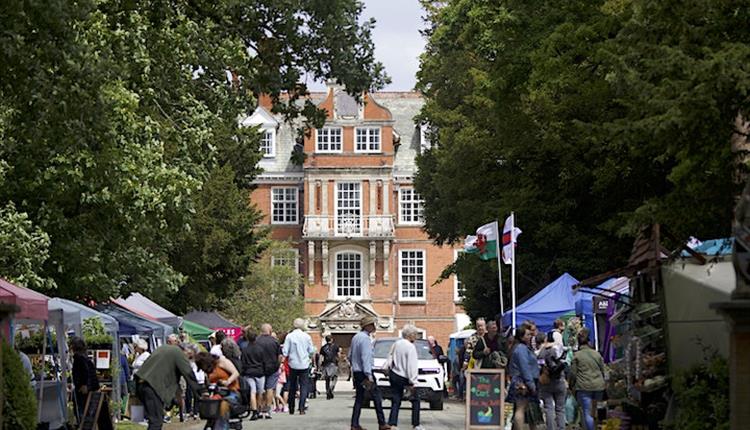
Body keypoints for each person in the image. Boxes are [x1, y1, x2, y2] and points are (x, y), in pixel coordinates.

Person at [135, 343, 204, 430]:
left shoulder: (165, 348)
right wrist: (201, 393)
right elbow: (189, 374)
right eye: (190, 357)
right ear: (188, 351)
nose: (188, 360)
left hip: (142, 384)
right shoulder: (178, 353)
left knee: (154, 419)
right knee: (156, 421)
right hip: (152, 387)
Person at [350, 315, 390, 430]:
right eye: (372, 324)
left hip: (357, 372)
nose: (374, 326)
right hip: (365, 372)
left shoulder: (355, 337)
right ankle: (382, 423)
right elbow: (366, 358)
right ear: (367, 326)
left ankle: (354, 424)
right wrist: (369, 375)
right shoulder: (365, 339)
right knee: (377, 397)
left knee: (359, 399)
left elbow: (350, 355)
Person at [387, 324, 424, 430]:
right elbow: (412, 365)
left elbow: (390, 357)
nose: (416, 337)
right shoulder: (410, 347)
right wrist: (413, 381)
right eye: (415, 334)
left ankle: (392, 423)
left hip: (394, 374)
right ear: (410, 335)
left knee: (396, 399)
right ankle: (416, 424)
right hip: (405, 376)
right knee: (416, 400)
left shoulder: (396, 343)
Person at [570, 329, 606, 430]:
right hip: (599, 386)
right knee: (598, 411)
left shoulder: (576, 356)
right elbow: (603, 370)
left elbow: (573, 373)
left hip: (584, 387)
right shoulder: (597, 354)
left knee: (588, 413)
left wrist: (571, 385)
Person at [507, 325, 540, 430]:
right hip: (522, 381)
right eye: (528, 334)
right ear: (522, 337)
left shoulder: (522, 348)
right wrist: (530, 384)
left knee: (523, 408)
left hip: (521, 380)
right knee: (520, 409)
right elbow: (524, 367)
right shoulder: (521, 349)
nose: (530, 336)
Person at [282, 317, 315, 415]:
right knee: (304, 386)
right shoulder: (307, 336)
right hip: (304, 364)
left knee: (292, 386)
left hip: (292, 364)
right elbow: (311, 351)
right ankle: (301, 408)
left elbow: (285, 351)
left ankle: (291, 407)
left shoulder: (289, 336)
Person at [538, 332, 566, 430]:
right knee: (560, 409)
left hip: (546, 382)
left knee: (549, 408)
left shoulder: (542, 351)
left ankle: (551, 428)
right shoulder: (559, 349)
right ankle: (561, 427)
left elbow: (539, 364)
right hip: (559, 381)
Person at [71, 337, 101, 425]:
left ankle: (83, 425)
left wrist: (84, 384)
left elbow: (85, 371)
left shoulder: (79, 358)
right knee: (87, 410)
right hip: (90, 387)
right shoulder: (85, 357)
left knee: (81, 410)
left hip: (83, 388)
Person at [257, 323, 282, 419]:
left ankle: (259, 410)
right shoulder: (275, 341)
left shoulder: (256, 341)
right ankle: (267, 410)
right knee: (270, 389)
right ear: (270, 331)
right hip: (272, 368)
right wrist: (277, 365)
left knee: (260, 389)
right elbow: (280, 356)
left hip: (259, 368)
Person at [241, 329, 265, 420]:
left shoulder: (245, 350)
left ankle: (254, 411)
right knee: (260, 392)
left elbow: (243, 362)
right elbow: (264, 361)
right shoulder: (260, 349)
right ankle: (259, 409)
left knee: (252, 392)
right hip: (260, 372)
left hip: (249, 372)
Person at [319, 335, 340, 399]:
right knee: (335, 377)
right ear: (331, 339)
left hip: (326, 364)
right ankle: (331, 387)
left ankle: (327, 391)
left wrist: (320, 365)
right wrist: (338, 360)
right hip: (333, 363)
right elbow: (338, 355)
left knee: (327, 379)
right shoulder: (336, 346)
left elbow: (321, 357)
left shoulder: (323, 347)